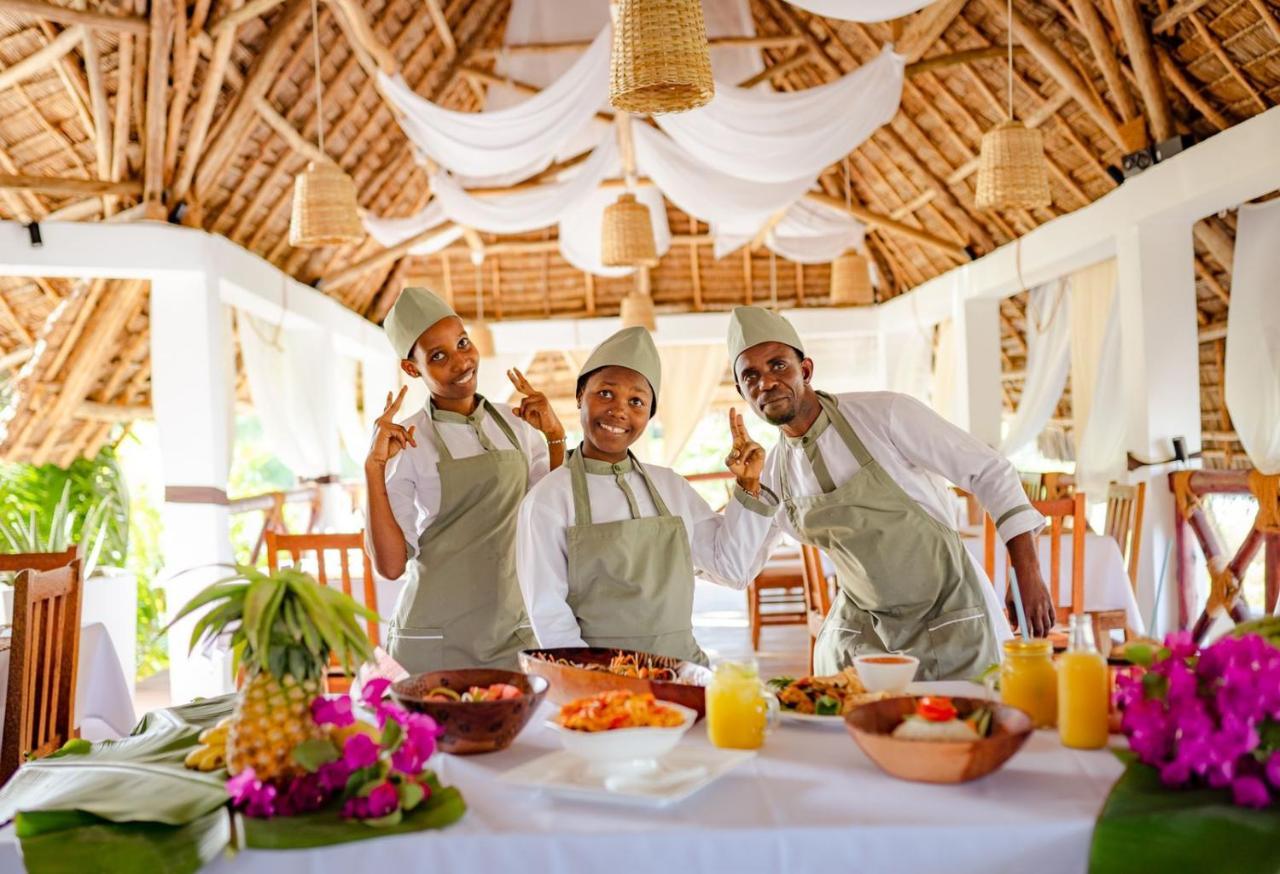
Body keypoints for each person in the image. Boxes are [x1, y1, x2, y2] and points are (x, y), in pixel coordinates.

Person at [726, 306, 1054, 681]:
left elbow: (989, 471)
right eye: (750, 376)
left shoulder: (885, 414)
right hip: (864, 636)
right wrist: (740, 489)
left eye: (778, 366)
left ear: (806, 369)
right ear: (741, 392)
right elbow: (737, 564)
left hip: (951, 620)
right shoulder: (772, 475)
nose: (766, 382)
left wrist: (1026, 572)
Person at [516, 326, 775, 665]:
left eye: (636, 401)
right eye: (605, 394)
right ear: (581, 396)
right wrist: (595, 683)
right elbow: (548, 612)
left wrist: (748, 487)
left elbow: (730, 567)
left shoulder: (671, 487)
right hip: (602, 679)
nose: (619, 410)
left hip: (682, 671)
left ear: (649, 414)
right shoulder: (548, 499)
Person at [365, 287, 565, 673]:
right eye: (438, 356)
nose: (461, 362)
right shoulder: (405, 440)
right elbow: (390, 567)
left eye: (462, 343)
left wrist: (555, 437)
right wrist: (372, 468)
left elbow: (550, 520)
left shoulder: (517, 424)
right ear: (412, 369)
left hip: (512, 629)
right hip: (433, 636)